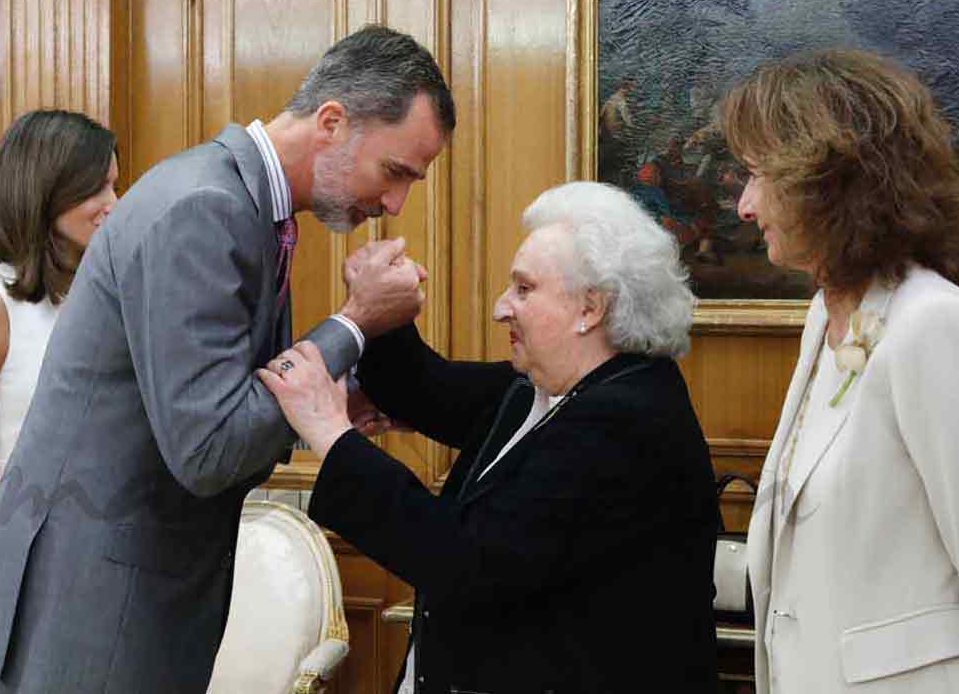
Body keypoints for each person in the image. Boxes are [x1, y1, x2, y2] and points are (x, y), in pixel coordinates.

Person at [0, 24, 455, 693]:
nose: (395, 203)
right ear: (333, 121)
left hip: (125, 595)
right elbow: (207, 447)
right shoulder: (205, 208)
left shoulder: (248, 207)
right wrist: (354, 323)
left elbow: (225, 401)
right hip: (96, 609)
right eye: (396, 173)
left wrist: (326, 407)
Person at [260, 181, 720, 693]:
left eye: (524, 289)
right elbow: (423, 389)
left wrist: (328, 429)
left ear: (591, 308)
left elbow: (464, 560)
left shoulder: (627, 421)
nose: (501, 307)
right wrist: (382, 309)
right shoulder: (545, 387)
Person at [721, 49, 959, 693]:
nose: (744, 206)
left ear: (829, 178)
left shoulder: (931, 323)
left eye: (757, 175)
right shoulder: (821, 321)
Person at [0, 109, 117, 694]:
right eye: (100, 186)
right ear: (47, 189)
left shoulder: (110, 293)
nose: (115, 201)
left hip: (125, 577)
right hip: (35, 583)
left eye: (117, 183)